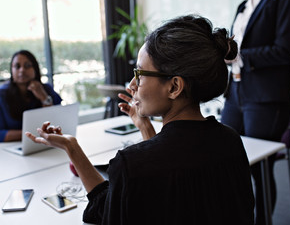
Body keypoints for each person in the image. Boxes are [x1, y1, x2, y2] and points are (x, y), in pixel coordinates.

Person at [26, 14, 255, 224]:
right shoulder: (230, 140)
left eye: (139, 74)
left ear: (174, 86)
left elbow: (105, 211)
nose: (132, 85)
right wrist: (145, 128)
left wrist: (71, 147)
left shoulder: (131, 164)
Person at [220, 0, 290, 224]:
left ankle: (263, 221)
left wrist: (239, 55)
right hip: (235, 92)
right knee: (222, 157)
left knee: (259, 167)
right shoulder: (245, 3)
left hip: (265, 96)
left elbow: (284, 50)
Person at [0, 50, 62, 144]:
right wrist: (36, 134)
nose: (22, 70)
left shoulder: (46, 89)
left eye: (27, 66)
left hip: (37, 146)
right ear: (11, 70)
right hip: (3, 149)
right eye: (17, 66)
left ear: (35, 68)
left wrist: (44, 98)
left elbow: (56, 123)